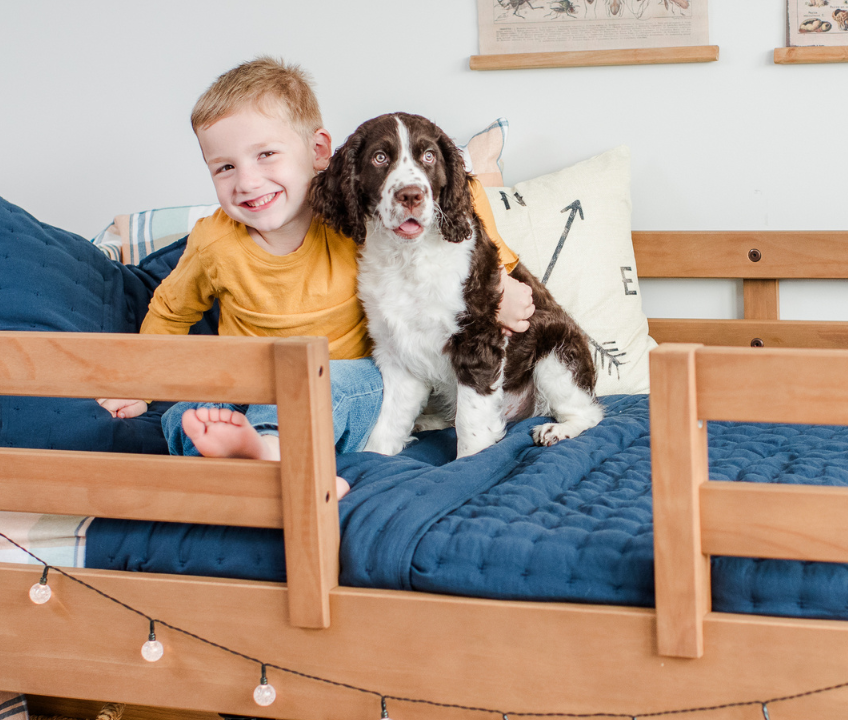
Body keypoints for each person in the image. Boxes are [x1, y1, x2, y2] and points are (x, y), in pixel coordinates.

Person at [97, 57, 533, 496]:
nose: (247, 182)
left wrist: (502, 286)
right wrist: (138, 384)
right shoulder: (212, 242)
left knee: (336, 388)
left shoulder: (350, 221)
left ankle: (272, 450)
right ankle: (243, 460)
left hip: (342, 380)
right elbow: (170, 311)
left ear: (318, 151)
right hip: (244, 384)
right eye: (224, 167)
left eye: (266, 154)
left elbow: (461, 200)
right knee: (186, 413)